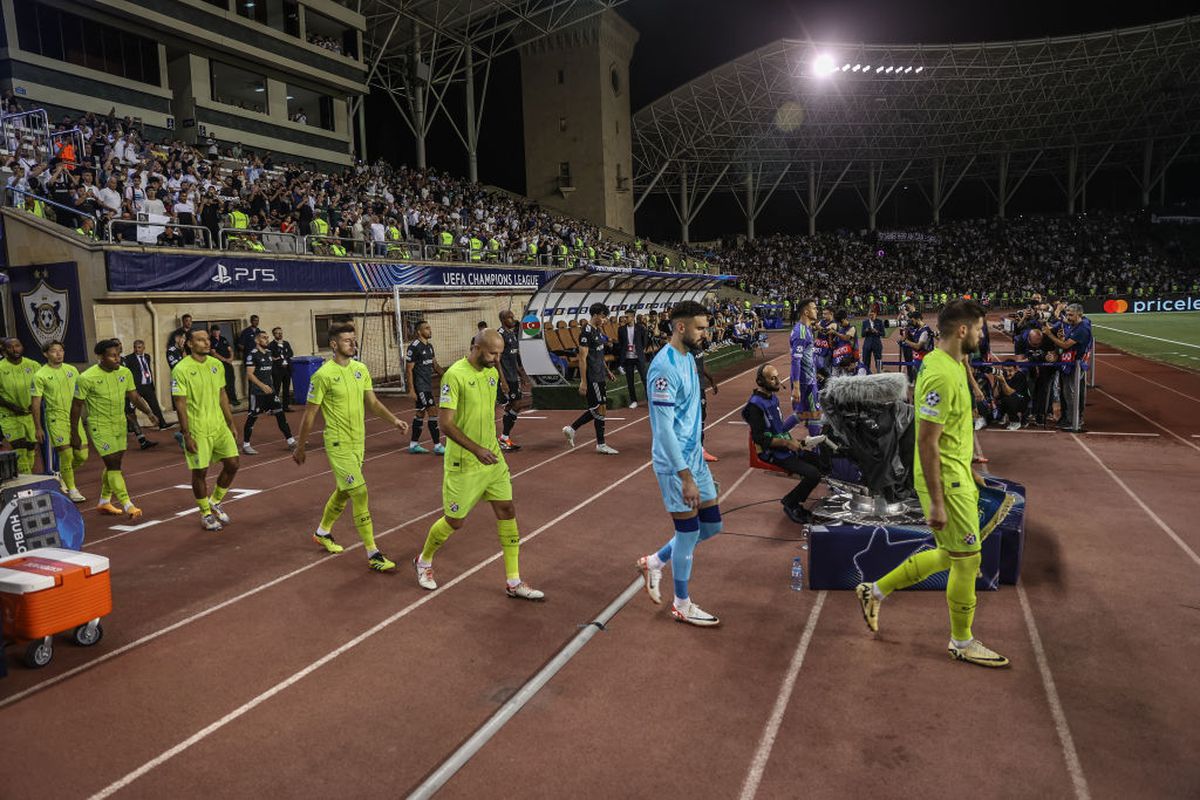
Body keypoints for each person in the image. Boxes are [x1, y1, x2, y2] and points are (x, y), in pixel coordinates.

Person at [855, 299, 1009, 668]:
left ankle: (874, 591)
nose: (981, 335)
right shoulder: (939, 372)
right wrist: (938, 501)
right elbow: (926, 440)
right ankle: (962, 641)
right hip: (945, 482)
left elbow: (955, 429)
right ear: (962, 330)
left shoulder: (954, 364)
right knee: (968, 560)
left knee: (949, 555)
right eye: (979, 329)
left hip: (957, 475)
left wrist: (970, 464)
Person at [413, 330, 543, 600]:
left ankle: (513, 581)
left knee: (507, 510)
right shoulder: (455, 375)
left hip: (492, 459)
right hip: (465, 462)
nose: (497, 359)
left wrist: (489, 446)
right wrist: (476, 449)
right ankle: (424, 561)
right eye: (493, 353)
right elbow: (445, 423)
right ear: (476, 347)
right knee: (455, 521)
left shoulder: (491, 373)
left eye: (500, 354)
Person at [634, 301, 725, 627]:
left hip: (694, 459)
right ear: (681, 327)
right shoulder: (664, 368)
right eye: (700, 328)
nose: (706, 333)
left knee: (712, 525)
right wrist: (685, 476)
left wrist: (696, 461)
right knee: (688, 532)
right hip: (676, 466)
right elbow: (664, 430)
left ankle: (655, 561)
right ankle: (682, 604)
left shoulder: (688, 357)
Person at [293, 323, 410, 572]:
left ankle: (322, 532)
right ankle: (373, 553)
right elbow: (309, 415)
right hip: (337, 443)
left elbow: (373, 403)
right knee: (359, 492)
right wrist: (300, 447)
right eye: (347, 340)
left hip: (359, 441)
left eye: (353, 340)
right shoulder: (322, 375)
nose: (352, 344)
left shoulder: (360, 369)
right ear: (334, 344)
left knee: (345, 490)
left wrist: (394, 420)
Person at [71, 339, 157, 519]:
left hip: (119, 424)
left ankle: (104, 501)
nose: (117, 359)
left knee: (114, 464)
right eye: (112, 356)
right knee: (113, 465)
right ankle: (128, 505)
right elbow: (76, 406)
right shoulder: (86, 377)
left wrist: (149, 412)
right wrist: (74, 433)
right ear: (101, 357)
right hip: (100, 426)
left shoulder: (125, 373)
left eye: (118, 355)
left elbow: (134, 396)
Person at [172, 328, 241, 532]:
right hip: (197, 428)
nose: (206, 343)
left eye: (207, 339)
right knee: (200, 472)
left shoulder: (216, 365)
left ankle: (215, 501)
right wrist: (186, 434)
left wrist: (231, 424)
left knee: (233, 463)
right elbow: (180, 404)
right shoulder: (181, 369)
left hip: (218, 425)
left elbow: (222, 395)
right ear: (190, 344)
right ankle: (205, 513)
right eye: (200, 340)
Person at [743, 363, 826, 523]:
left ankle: (796, 497)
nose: (777, 381)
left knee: (822, 462)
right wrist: (788, 444)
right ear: (760, 382)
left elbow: (778, 427)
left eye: (777, 377)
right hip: (772, 453)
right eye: (772, 378)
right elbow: (761, 440)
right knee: (813, 474)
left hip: (785, 446)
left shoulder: (772, 398)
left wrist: (793, 439)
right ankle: (791, 502)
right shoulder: (755, 406)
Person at [31, 341, 89, 502]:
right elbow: (35, 403)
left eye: (61, 350)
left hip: (74, 419)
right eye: (54, 351)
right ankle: (72, 489)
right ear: (45, 354)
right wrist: (38, 427)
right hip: (56, 419)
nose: (59, 354)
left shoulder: (72, 370)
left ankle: (63, 474)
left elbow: (83, 394)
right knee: (67, 455)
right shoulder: (40, 375)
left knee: (82, 456)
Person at [563, 302, 619, 455]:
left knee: (601, 408)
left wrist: (608, 371)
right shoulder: (585, 332)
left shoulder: (598, 330)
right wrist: (583, 381)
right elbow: (582, 358)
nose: (605, 319)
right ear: (595, 315)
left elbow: (599, 355)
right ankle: (596, 442)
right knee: (599, 409)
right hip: (592, 376)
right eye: (603, 316)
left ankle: (574, 429)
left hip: (600, 373)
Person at [242, 330, 295, 454]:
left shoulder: (269, 353)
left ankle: (291, 441)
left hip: (270, 391)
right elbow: (249, 374)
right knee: (252, 417)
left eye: (267, 337)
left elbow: (269, 372)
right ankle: (246, 445)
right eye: (264, 338)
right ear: (257, 340)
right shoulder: (252, 355)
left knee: (280, 414)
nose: (266, 339)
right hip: (257, 392)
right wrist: (262, 385)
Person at [1040, 303, 1091, 432]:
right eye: (1067, 314)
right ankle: (1070, 418)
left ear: (1080, 315)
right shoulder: (1072, 324)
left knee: (1071, 394)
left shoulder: (1082, 328)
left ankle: (1074, 421)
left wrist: (1050, 335)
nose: (1068, 317)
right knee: (1067, 393)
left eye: (1071, 315)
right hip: (1067, 363)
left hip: (1075, 365)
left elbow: (1065, 345)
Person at [0, 338, 40, 474]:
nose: (15, 349)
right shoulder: (0, 367)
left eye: (17, 345)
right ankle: (27, 483)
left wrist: (35, 403)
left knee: (30, 449)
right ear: (4, 351)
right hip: (9, 415)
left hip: (30, 415)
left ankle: (25, 475)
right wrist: (12, 406)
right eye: (10, 347)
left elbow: (42, 387)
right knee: (19, 448)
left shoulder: (33, 365)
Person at [405, 320, 445, 454]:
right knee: (433, 411)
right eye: (427, 328)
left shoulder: (430, 346)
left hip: (427, 385)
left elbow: (435, 365)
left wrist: (447, 377)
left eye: (430, 328)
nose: (430, 330)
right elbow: (409, 370)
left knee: (420, 414)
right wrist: (411, 389)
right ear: (419, 332)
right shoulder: (414, 347)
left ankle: (413, 444)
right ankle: (438, 445)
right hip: (420, 387)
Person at [497, 309, 530, 451]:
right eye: (510, 318)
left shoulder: (512, 334)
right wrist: (502, 381)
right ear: (503, 320)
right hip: (505, 378)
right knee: (515, 404)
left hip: (513, 377)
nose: (513, 319)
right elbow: (497, 360)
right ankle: (503, 438)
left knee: (514, 405)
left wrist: (521, 374)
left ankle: (504, 438)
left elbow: (513, 357)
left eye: (512, 317)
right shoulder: (500, 335)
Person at [789, 298, 821, 436]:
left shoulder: (807, 329)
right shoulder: (801, 333)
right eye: (814, 308)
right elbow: (796, 361)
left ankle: (816, 446)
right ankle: (817, 449)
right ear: (806, 312)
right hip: (804, 381)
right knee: (812, 414)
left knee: (804, 414)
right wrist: (796, 388)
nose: (817, 310)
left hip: (810, 378)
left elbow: (808, 356)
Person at [124, 339, 172, 429]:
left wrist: (151, 383)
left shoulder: (147, 356)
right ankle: (131, 427)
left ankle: (162, 423)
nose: (137, 349)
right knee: (131, 408)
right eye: (135, 347)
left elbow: (147, 369)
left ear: (143, 348)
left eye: (139, 347)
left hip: (147, 386)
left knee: (155, 406)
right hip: (137, 387)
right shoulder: (129, 359)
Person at [617, 312, 650, 409]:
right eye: (624, 317)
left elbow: (645, 341)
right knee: (629, 380)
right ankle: (633, 400)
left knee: (644, 378)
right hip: (627, 358)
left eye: (627, 317)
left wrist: (639, 349)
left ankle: (649, 399)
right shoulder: (621, 329)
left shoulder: (640, 328)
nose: (625, 318)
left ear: (632, 317)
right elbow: (621, 342)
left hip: (638, 356)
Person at [695, 347, 719, 463]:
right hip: (690, 389)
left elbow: (701, 364)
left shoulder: (698, 348)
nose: (704, 334)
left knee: (701, 417)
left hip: (700, 387)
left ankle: (700, 449)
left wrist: (711, 379)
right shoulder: (684, 348)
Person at [208, 325, 238, 406]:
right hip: (219, 365)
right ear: (212, 332)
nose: (216, 332)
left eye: (217, 330)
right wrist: (225, 360)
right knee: (222, 383)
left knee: (231, 380)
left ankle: (233, 399)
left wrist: (231, 358)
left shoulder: (223, 339)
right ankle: (224, 401)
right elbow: (213, 353)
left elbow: (230, 350)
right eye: (214, 331)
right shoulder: (211, 340)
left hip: (228, 363)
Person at [267, 327, 294, 410]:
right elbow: (268, 355)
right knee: (276, 389)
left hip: (286, 369)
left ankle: (286, 406)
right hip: (277, 370)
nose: (280, 334)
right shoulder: (271, 345)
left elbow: (291, 353)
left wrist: (285, 357)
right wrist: (273, 358)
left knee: (286, 388)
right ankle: (275, 407)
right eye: (277, 333)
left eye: (281, 333)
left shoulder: (286, 343)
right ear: (274, 334)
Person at [861, 307, 885, 373]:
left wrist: (876, 331)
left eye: (872, 314)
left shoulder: (880, 322)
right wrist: (866, 331)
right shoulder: (865, 322)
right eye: (870, 314)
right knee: (866, 361)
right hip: (867, 345)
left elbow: (883, 334)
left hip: (876, 344)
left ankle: (879, 374)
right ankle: (867, 375)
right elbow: (862, 334)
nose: (871, 316)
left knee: (878, 360)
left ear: (875, 314)